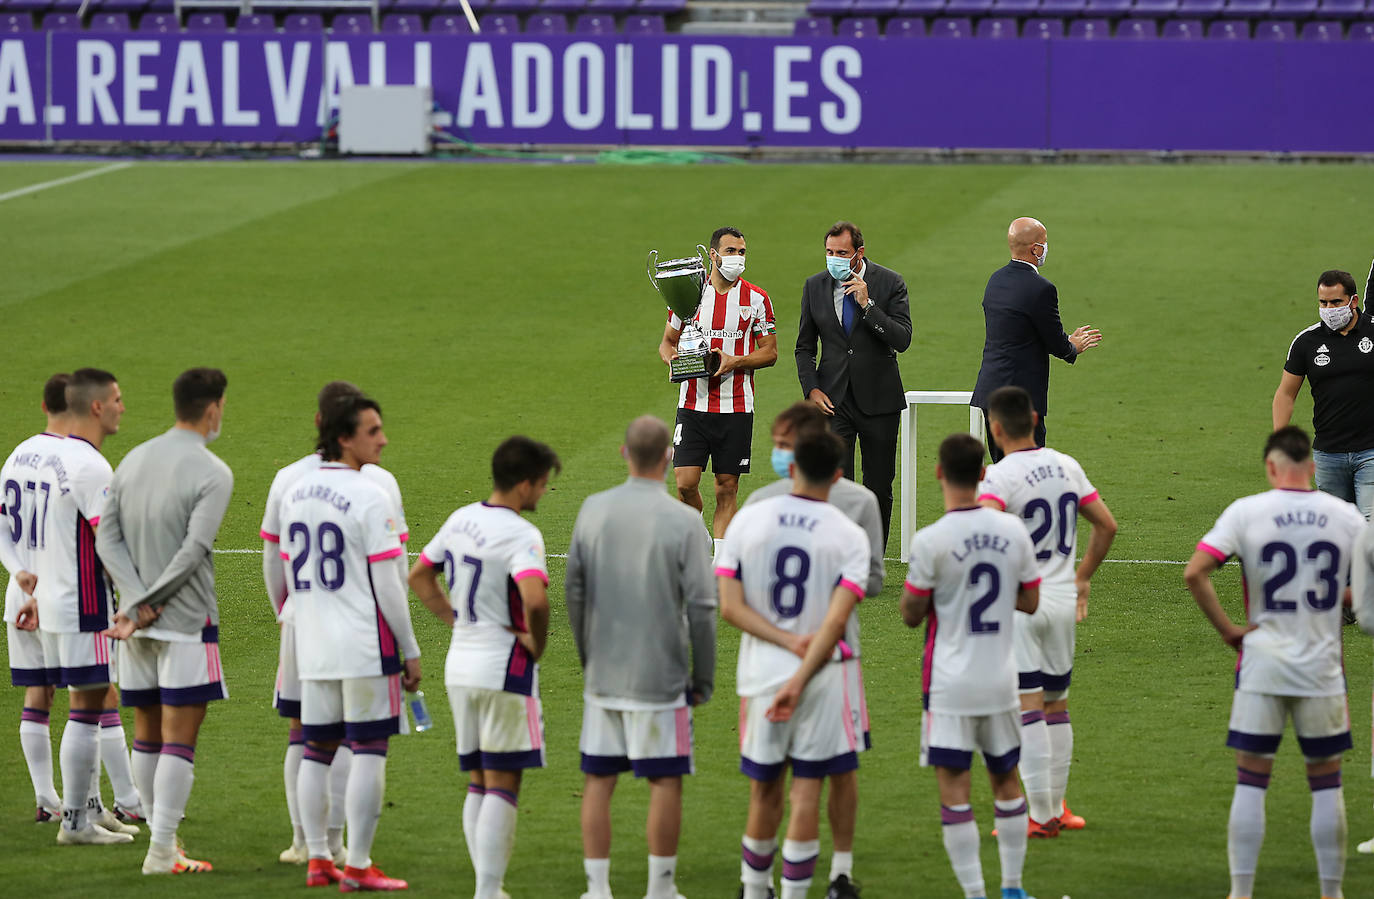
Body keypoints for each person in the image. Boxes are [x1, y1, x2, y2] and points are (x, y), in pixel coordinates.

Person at [1184, 426, 1363, 899]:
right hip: (1322, 672)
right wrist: (1340, 599)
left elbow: (1195, 572)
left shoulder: (1247, 512)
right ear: (1312, 467)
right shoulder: (1345, 516)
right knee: (1326, 784)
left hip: (1261, 666)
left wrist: (1229, 631)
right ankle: (1332, 893)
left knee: (1252, 780)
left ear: (1271, 467)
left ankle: (1240, 892)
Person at [564, 416, 716, 899]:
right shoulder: (686, 521)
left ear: (624, 454)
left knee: (598, 778)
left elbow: (574, 591)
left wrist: (589, 656)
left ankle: (597, 889)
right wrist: (703, 676)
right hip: (663, 675)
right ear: (669, 456)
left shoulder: (593, 509)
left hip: (605, 671)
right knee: (665, 780)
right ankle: (660, 889)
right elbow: (702, 606)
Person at [716, 426, 870, 899]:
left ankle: (753, 889)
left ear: (794, 467)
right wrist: (801, 672)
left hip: (762, 673)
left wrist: (783, 640)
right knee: (806, 790)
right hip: (823, 676)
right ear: (838, 475)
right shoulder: (848, 534)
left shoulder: (748, 519)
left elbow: (729, 607)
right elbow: (837, 620)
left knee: (764, 789)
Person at [260, 381, 409, 867]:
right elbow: (393, 572)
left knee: (307, 737)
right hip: (362, 632)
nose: (382, 439)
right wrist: (407, 644)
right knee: (363, 741)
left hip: (303, 625)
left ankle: (308, 846)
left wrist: (287, 611)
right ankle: (348, 852)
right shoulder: (377, 486)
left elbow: (273, 558)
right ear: (345, 431)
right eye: (374, 429)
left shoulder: (289, 481)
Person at [409, 435, 560, 899]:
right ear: (524, 483)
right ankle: (488, 891)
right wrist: (536, 642)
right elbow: (536, 599)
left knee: (478, 780)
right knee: (503, 782)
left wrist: (454, 618)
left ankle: (486, 887)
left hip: (460, 663)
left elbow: (419, 574)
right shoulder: (521, 533)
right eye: (542, 483)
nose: (543, 492)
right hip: (503, 667)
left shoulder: (460, 519)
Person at [96, 367, 234, 874]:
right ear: (213, 408)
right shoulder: (213, 471)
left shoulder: (133, 459)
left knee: (147, 732)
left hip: (133, 625)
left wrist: (134, 602)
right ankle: (161, 851)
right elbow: (193, 550)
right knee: (179, 737)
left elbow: (106, 538)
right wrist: (148, 602)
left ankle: (162, 846)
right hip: (186, 622)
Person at [901, 433, 1041, 899]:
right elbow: (1030, 600)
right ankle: (1013, 888)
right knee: (1006, 780)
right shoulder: (1013, 532)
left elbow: (911, 614)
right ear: (983, 474)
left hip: (949, 687)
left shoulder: (930, 540)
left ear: (939, 473)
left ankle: (975, 893)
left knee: (955, 791)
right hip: (1001, 680)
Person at [976, 386, 1117, 835]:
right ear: (1035, 420)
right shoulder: (1066, 465)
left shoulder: (1000, 477)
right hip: (1061, 600)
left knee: (1028, 706)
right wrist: (1083, 576)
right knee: (1057, 704)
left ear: (995, 429)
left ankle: (1038, 815)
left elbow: (984, 531)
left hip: (1021, 603)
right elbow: (1106, 525)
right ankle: (1057, 808)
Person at [15, 368, 135, 845]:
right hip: (81, 604)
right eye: (118, 399)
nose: (123, 407)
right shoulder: (89, 466)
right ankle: (75, 823)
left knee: (77, 704)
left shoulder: (41, 455)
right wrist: (136, 599)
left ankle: (88, 807)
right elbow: (111, 543)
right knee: (87, 707)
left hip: (45, 600)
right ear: (97, 406)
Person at [795, 221, 912, 549]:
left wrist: (867, 305)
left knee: (878, 485)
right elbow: (804, 347)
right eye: (829, 252)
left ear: (859, 252)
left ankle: (873, 558)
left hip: (880, 401)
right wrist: (811, 389)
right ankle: (840, 553)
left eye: (841, 253)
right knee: (835, 484)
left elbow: (902, 339)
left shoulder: (889, 282)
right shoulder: (814, 286)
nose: (834, 259)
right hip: (833, 402)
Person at [658, 226, 777, 544]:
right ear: (713, 255)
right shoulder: (688, 294)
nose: (738, 258)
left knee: (727, 487)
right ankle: (700, 533)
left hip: (736, 406)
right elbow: (667, 342)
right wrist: (674, 361)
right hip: (692, 405)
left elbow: (770, 352)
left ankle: (721, 562)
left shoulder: (756, 299)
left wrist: (734, 361)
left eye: (742, 252)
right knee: (685, 483)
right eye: (730, 251)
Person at [970, 217, 1101, 462]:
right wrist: (1072, 346)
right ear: (1036, 249)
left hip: (991, 391)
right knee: (1027, 468)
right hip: (1021, 398)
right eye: (1045, 242)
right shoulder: (1041, 288)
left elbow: (1016, 331)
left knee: (1003, 467)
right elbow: (1055, 341)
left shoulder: (995, 280)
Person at [1, 373, 70, 823]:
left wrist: (18, 573)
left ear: (43, 405)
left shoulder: (16, 455)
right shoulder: (75, 460)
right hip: (61, 594)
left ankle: (45, 797)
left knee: (37, 694)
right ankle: (109, 801)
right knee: (94, 696)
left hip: (19, 591)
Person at [1272, 269, 1374, 519]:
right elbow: (1285, 394)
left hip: (1371, 451)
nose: (1329, 309)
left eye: (1336, 302)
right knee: (1335, 526)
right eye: (1323, 303)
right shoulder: (1306, 342)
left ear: (1353, 301)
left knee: (1370, 524)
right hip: (1328, 454)